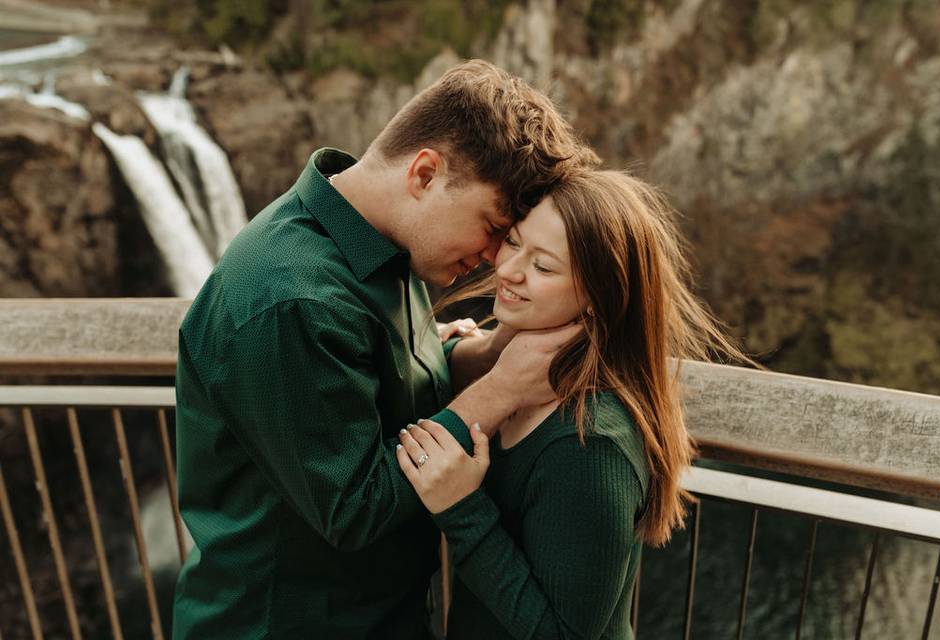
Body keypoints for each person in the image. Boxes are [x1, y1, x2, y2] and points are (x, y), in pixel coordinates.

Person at [172, 60, 597, 639]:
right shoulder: (293, 299)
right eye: (493, 226)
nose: (497, 257)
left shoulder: (385, 247)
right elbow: (355, 508)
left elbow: (374, 399)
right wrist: (502, 392)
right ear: (424, 174)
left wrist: (479, 356)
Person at [397, 170, 748, 639]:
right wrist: (446, 354)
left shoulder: (590, 444)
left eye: (543, 267)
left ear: (597, 298)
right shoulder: (518, 377)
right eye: (513, 242)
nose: (507, 270)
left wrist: (461, 507)